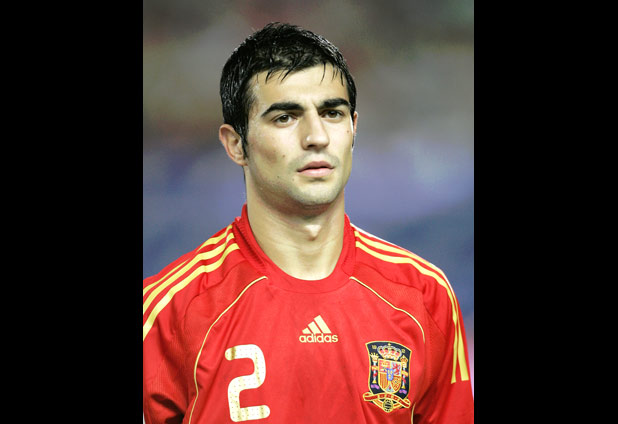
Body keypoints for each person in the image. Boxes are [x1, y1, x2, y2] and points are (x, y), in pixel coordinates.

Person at [143, 22, 473, 423]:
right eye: (285, 117)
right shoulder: (168, 312)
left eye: (332, 113)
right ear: (236, 144)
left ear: (353, 128)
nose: (316, 136)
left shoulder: (424, 295)